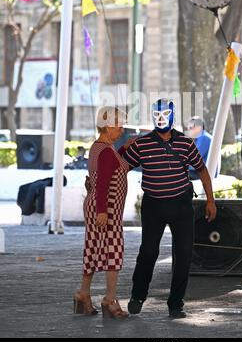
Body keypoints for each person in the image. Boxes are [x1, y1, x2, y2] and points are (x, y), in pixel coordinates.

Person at [121, 98, 217, 318]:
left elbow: (202, 171)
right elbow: (121, 166)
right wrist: (118, 153)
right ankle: (137, 296)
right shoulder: (141, 144)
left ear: (172, 115)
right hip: (153, 205)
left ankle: (176, 304)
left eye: (165, 114)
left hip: (181, 205)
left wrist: (210, 200)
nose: (161, 119)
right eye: (157, 115)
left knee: (184, 254)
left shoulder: (185, 142)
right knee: (148, 251)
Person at [73, 106, 133, 319]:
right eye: (119, 125)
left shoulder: (100, 147)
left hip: (98, 206)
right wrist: (102, 212)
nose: (122, 129)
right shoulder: (107, 151)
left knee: (93, 249)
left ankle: (83, 293)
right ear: (108, 126)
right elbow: (104, 183)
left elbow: (108, 171)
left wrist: (124, 148)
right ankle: (110, 298)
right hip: (105, 209)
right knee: (113, 252)